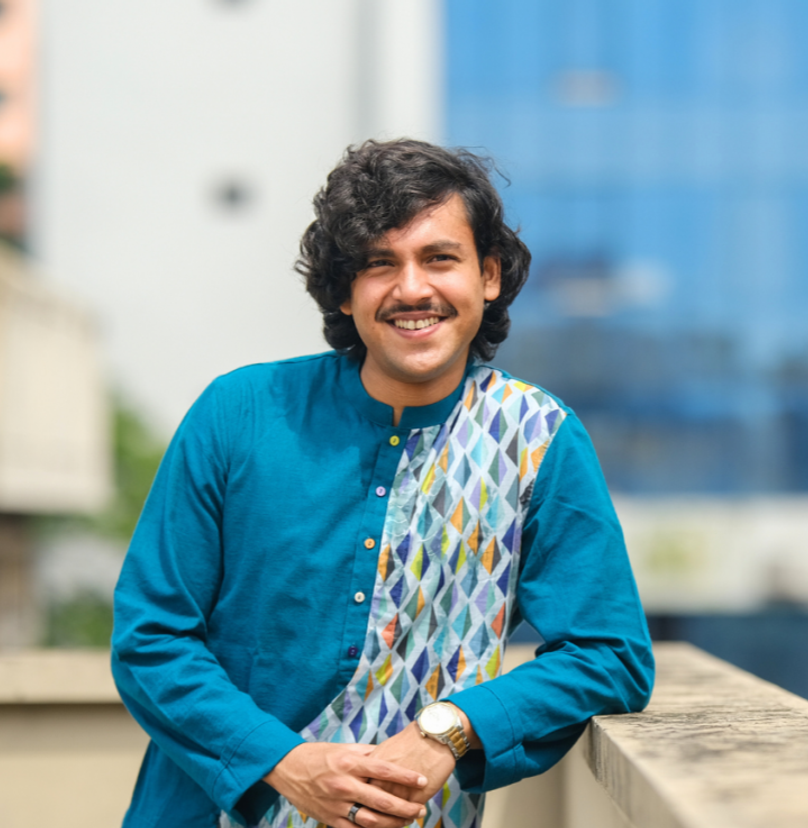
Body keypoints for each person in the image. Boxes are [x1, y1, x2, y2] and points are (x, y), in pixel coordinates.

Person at [112, 139, 654, 828]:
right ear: (344, 291)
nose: (412, 289)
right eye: (378, 264)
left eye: (440, 258)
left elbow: (609, 655)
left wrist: (450, 729)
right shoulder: (240, 414)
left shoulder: (535, 438)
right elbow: (153, 638)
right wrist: (286, 763)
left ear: (488, 275)